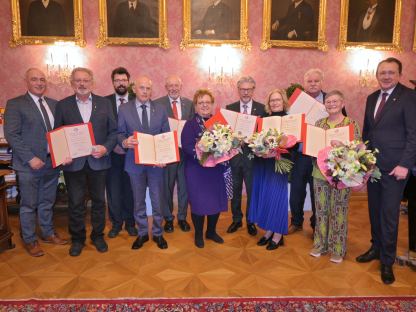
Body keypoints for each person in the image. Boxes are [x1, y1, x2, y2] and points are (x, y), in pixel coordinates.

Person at [357, 57, 416, 285]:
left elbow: (413, 135)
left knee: (389, 215)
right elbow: (368, 133)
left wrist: (405, 164)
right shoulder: (372, 98)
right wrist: (363, 162)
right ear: (377, 75)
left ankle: (387, 262)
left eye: (391, 72)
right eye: (382, 72)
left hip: (395, 168)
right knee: (374, 210)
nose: (386, 76)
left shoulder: (410, 97)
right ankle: (376, 248)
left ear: (399, 74)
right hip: (374, 167)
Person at [4, 68, 67, 257]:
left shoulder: (54, 104)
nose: (39, 83)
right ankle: (30, 239)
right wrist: (30, 158)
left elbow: (61, 132)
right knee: (29, 204)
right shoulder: (15, 104)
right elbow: (12, 135)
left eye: (42, 79)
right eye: (34, 79)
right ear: (27, 81)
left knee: (47, 201)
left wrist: (64, 153)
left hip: (51, 163)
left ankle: (47, 233)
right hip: (28, 165)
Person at [54, 67, 117, 257]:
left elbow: (113, 132)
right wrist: (62, 152)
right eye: (78, 80)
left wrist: (105, 148)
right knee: (75, 203)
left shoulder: (105, 103)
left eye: (85, 80)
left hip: (99, 162)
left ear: (92, 82)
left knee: (99, 201)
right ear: (72, 83)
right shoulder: (63, 105)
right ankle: (77, 239)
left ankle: (98, 236)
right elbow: (58, 134)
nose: (82, 84)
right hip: (74, 164)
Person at [309, 90, 361, 263]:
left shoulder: (351, 123)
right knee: (321, 211)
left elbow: (358, 151)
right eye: (328, 101)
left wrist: (344, 147)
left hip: (341, 176)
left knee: (338, 211)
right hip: (319, 173)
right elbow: (313, 148)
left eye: (335, 101)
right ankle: (320, 245)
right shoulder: (319, 123)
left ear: (342, 103)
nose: (331, 104)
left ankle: (337, 248)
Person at [118, 76, 169, 250]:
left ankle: (157, 233)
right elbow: (119, 133)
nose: (145, 91)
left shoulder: (161, 109)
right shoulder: (124, 109)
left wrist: (164, 157)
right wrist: (124, 142)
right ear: (135, 89)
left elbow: (166, 136)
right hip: (134, 162)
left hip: (156, 165)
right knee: (138, 200)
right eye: (142, 88)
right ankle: (141, 233)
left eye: (148, 88)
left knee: (157, 200)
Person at [181, 89, 229, 248]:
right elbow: (187, 147)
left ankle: (211, 231)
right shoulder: (190, 124)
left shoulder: (219, 123)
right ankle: (199, 234)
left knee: (214, 201)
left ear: (213, 105)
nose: (204, 105)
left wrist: (224, 150)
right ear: (195, 106)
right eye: (201, 103)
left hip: (216, 170)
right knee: (199, 203)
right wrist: (204, 157)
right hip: (197, 170)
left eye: (207, 102)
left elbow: (228, 142)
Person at [248, 89, 292, 250]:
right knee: (266, 197)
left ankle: (278, 234)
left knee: (277, 199)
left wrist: (277, 151)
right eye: (272, 100)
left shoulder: (289, 119)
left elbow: (293, 144)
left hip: (279, 164)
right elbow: (254, 141)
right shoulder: (263, 120)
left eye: (278, 100)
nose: (274, 103)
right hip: (263, 164)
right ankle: (269, 230)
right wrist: (261, 150)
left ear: (283, 101)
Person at [154, 75, 194, 233]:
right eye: (170, 85)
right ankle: (168, 219)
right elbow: (155, 128)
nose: (173, 88)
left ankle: (182, 218)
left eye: (176, 85)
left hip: (185, 154)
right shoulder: (157, 104)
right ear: (166, 87)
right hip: (167, 153)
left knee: (184, 188)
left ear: (181, 86)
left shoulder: (189, 104)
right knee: (167, 188)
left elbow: (192, 127)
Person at [226, 76, 265, 236]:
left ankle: (250, 220)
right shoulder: (230, 108)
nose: (246, 92)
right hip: (234, 156)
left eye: (249, 89)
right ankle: (236, 219)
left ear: (253, 90)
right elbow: (225, 132)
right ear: (238, 90)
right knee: (235, 190)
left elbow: (264, 133)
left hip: (253, 158)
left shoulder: (262, 109)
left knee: (251, 191)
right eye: (243, 89)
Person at [105, 67, 137, 238]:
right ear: (113, 83)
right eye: (117, 80)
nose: (121, 83)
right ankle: (116, 224)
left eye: (123, 80)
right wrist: (114, 144)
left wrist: (125, 144)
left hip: (132, 153)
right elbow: (102, 127)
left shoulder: (137, 100)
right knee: (113, 190)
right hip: (112, 154)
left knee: (131, 189)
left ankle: (131, 223)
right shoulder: (104, 102)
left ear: (128, 81)